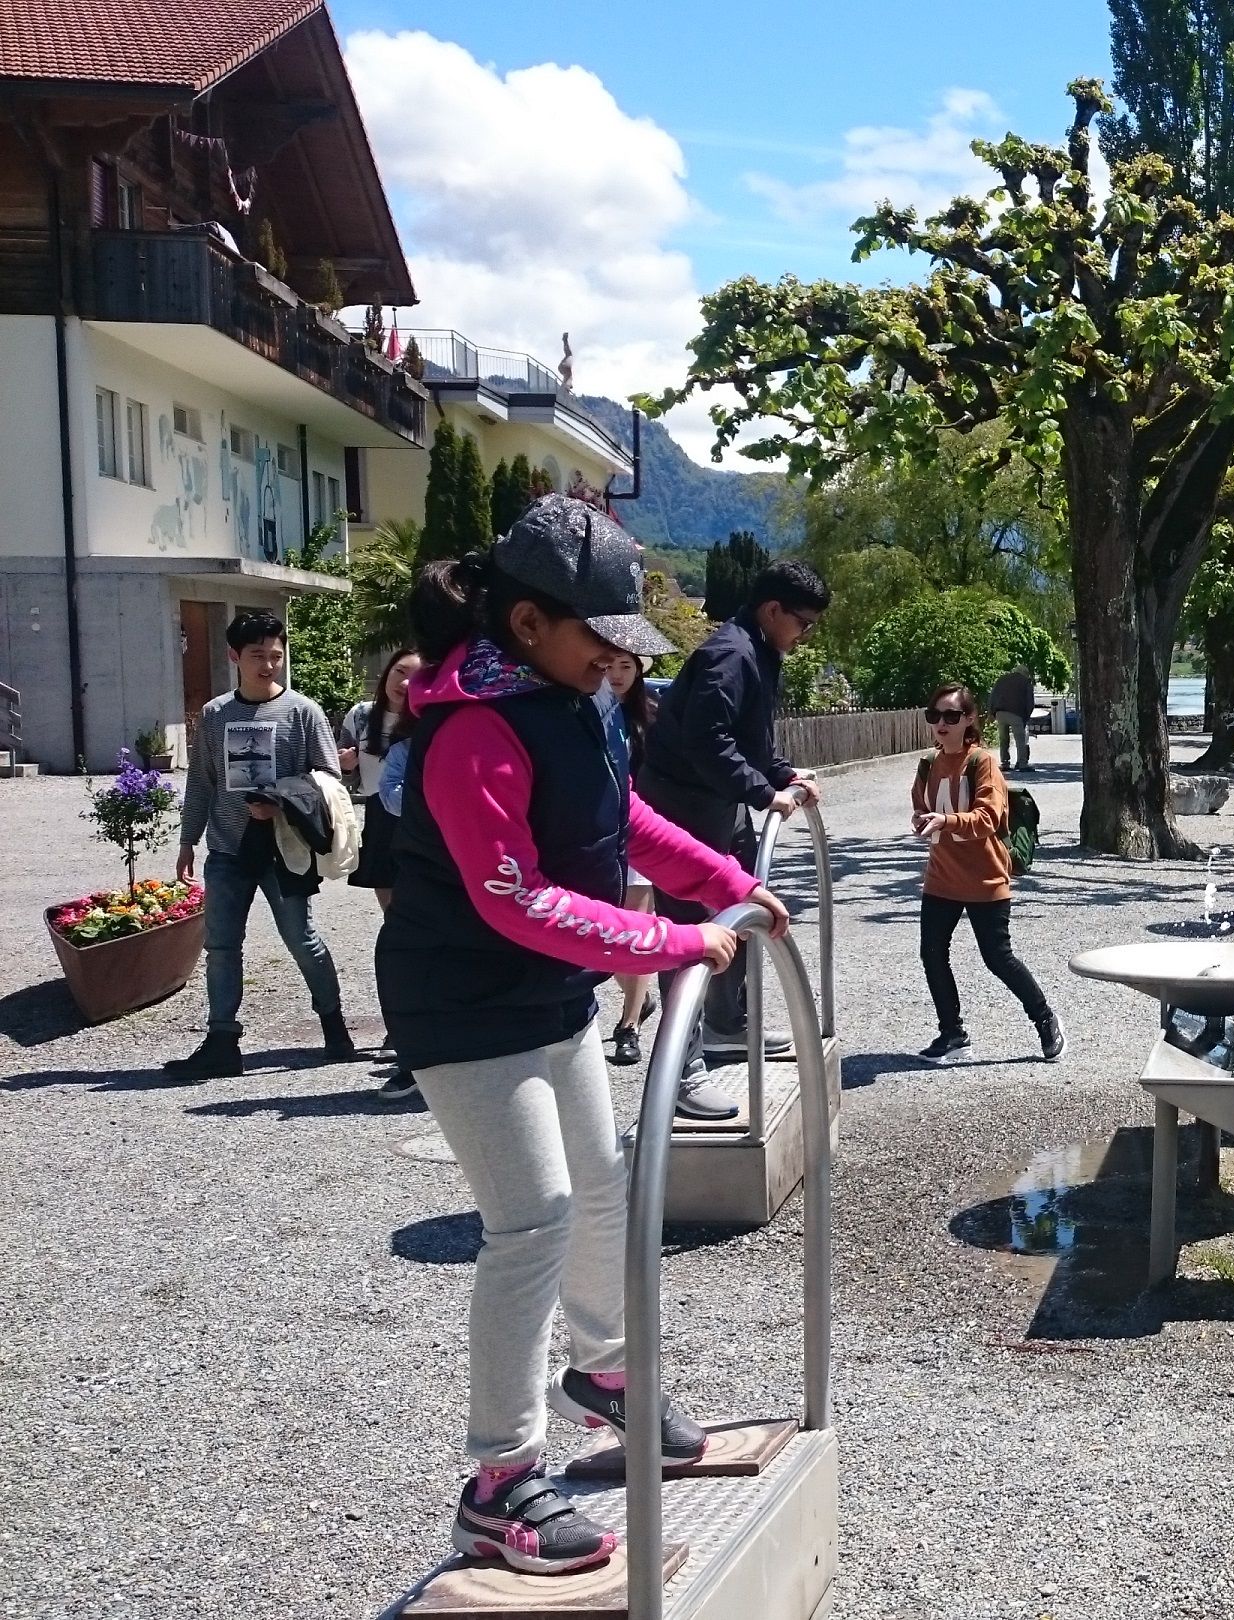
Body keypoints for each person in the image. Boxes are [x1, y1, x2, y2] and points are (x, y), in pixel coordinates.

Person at [380, 494, 789, 1575]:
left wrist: (728, 883)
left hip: (546, 991)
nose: (619, 659)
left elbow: (626, 822)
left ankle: (609, 1377)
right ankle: (498, 1480)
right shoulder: (472, 726)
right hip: (464, 1003)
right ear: (527, 625)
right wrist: (668, 940)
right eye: (601, 637)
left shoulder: (573, 703)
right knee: (535, 1221)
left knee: (605, 1184)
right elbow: (512, 896)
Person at [639, 558, 826, 1118]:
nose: (805, 633)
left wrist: (782, 775)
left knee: (742, 905)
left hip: (718, 804)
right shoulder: (730, 653)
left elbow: (753, 737)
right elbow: (706, 739)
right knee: (689, 933)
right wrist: (761, 792)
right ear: (773, 610)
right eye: (803, 622)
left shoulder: (762, 651)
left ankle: (727, 1023)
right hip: (681, 806)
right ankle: (680, 1070)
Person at [165, 609, 357, 1080]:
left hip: (285, 847)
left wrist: (282, 804)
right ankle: (222, 1041)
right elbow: (202, 783)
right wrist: (188, 840)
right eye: (257, 656)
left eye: (276, 655)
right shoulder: (214, 714)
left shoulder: (303, 712)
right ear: (234, 656)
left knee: (301, 939)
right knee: (222, 946)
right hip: (228, 848)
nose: (268, 665)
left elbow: (330, 779)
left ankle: (334, 1026)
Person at [910, 683, 1062, 1063]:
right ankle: (952, 1033)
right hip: (941, 877)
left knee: (998, 958)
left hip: (985, 879)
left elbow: (988, 817)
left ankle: (1045, 1019)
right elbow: (921, 805)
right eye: (935, 716)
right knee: (932, 954)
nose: (942, 724)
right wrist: (923, 820)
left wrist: (944, 820)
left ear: (970, 719)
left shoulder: (982, 763)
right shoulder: (928, 764)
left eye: (951, 716)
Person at [344, 649, 424, 1102]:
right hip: (380, 816)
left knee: (415, 927)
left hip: (417, 823)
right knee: (396, 925)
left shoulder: (429, 721)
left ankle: (414, 1031)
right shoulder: (363, 716)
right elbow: (348, 770)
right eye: (399, 673)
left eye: (416, 677)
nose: (405, 684)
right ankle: (406, 1030)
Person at [602, 650, 660, 1067]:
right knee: (604, 939)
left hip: (639, 834)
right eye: (610, 666)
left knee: (634, 933)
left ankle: (629, 1026)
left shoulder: (651, 720)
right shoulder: (579, 712)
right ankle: (639, 996)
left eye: (627, 666)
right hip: (593, 837)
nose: (618, 675)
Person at [988, 663, 1036, 771]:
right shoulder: (1025, 682)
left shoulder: (1002, 679)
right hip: (1016, 714)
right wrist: (1026, 716)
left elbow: (992, 695)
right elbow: (1030, 702)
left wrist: (991, 712)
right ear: (1025, 673)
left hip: (1000, 713)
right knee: (1020, 739)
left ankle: (1005, 763)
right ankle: (1022, 763)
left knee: (1003, 739)